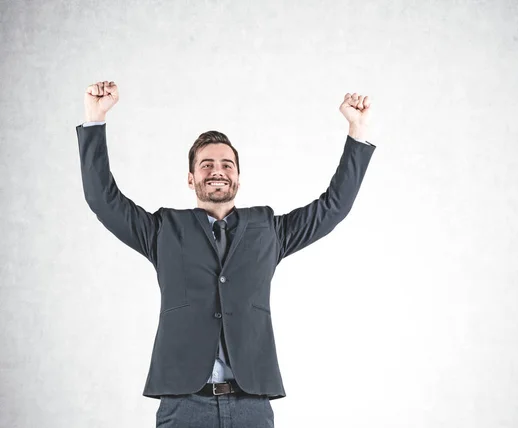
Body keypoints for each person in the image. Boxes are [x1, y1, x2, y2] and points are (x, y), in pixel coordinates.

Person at [76, 80, 376, 427]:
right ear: (191, 179)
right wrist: (94, 120)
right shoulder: (164, 230)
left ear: (237, 177)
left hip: (251, 404)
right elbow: (104, 199)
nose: (217, 170)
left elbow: (333, 207)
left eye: (226, 164)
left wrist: (357, 130)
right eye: (206, 164)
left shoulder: (268, 229)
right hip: (184, 406)